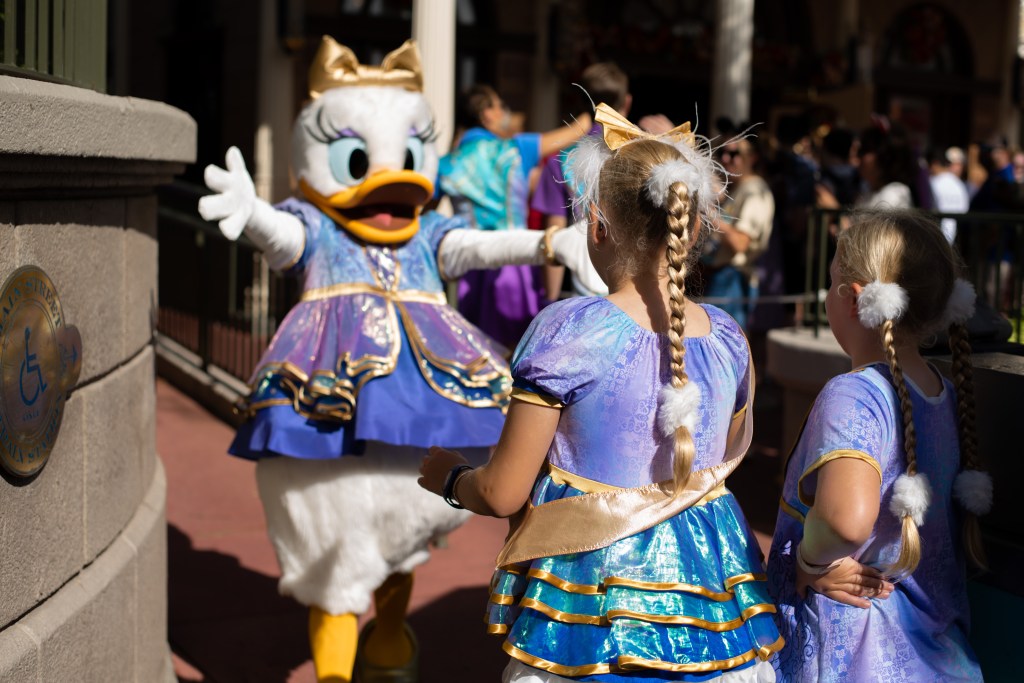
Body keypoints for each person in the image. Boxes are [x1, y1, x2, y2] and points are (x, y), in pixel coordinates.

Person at [420, 103, 783, 681]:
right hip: (716, 607)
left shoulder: (570, 331)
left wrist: (449, 478)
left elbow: (503, 491)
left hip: (589, 613)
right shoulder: (729, 339)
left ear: (597, 226)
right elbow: (720, 459)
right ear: (690, 225)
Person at [766, 210, 990, 682]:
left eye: (830, 282)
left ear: (853, 299)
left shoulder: (854, 395)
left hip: (858, 652)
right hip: (936, 653)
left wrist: (809, 562)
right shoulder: (945, 394)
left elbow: (846, 521)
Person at [438, 84, 592, 348]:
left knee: (474, 351)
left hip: (470, 270)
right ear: (486, 114)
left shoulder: (446, 164)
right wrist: (592, 101)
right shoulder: (517, 148)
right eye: (499, 106)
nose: (505, 112)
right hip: (515, 264)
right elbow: (578, 129)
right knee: (516, 351)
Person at [531, 62, 632, 301]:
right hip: (635, 283)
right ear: (627, 102)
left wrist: (551, 298)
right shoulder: (643, 154)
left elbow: (555, 234)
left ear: (580, 102)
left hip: (583, 284)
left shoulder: (560, 161)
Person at [702, 137, 775, 329]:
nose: (726, 159)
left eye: (734, 154)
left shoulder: (755, 190)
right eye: (722, 153)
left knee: (725, 343)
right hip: (719, 276)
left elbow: (740, 243)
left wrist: (708, 212)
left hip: (733, 280)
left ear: (752, 157)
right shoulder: (739, 187)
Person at [926, 146, 970, 244]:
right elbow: (964, 209)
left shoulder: (932, 182)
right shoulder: (959, 184)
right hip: (954, 238)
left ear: (935, 164)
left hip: (935, 236)